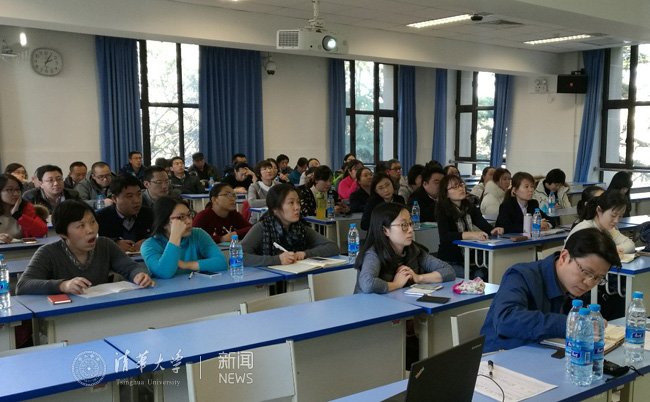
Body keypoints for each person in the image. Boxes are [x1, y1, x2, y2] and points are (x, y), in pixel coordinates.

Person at [480, 228, 621, 352]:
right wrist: (570, 324)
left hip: (541, 357)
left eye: (598, 278)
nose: (589, 283)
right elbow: (506, 320)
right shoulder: (521, 275)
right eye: (586, 272)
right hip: (498, 359)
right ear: (564, 257)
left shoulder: (574, 287)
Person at [16, 200, 154, 295]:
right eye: (81, 226)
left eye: (92, 222)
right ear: (63, 234)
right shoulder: (48, 252)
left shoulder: (105, 245)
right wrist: (63, 285)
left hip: (100, 309)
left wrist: (139, 275)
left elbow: (131, 267)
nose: (90, 230)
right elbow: (23, 285)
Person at [354, 202, 455, 294]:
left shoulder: (413, 250)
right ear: (385, 231)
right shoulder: (373, 253)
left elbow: (448, 271)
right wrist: (396, 284)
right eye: (404, 225)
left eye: (410, 224)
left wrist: (418, 278)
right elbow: (368, 284)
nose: (410, 229)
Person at [240, 184, 339, 266]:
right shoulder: (262, 227)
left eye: (298, 202)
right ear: (275, 208)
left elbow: (332, 247)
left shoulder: (300, 227)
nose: (297, 207)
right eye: (291, 203)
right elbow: (238, 256)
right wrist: (277, 260)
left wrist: (305, 254)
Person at [140, 197, 228, 279]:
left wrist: (185, 265)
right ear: (163, 223)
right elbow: (164, 273)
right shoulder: (149, 245)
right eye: (181, 217)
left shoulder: (197, 234)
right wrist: (175, 236)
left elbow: (222, 262)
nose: (189, 221)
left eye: (189, 215)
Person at [436, 175, 504, 279]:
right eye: (455, 187)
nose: (460, 189)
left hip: (469, 259)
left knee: (488, 271)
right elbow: (445, 236)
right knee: (468, 276)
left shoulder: (468, 206)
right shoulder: (442, 209)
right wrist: (470, 235)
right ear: (446, 194)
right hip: (450, 260)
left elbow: (482, 223)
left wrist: (493, 230)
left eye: (461, 185)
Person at [96, 174, 154, 253]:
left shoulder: (151, 214)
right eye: (129, 196)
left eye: (139, 194)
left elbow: (162, 235)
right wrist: (114, 243)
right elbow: (95, 242)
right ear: (114, 198)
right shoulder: (100, 218)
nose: (136, 200)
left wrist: (150, 240)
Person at [566, 190, 635, 255]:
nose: (616, 220)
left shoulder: (608, 228)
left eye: (620, 216)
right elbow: (590, 256)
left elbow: (630, 244)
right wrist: (611, 252)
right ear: (599, 210)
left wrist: (615, 250)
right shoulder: (584, 230)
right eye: (613, 215)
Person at [0, 174, 48, 243]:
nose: (16, 194)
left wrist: (18, 216)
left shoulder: (26, 208)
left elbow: (41, 232)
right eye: (9, 190)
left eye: (17, 189)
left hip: (22, 249)